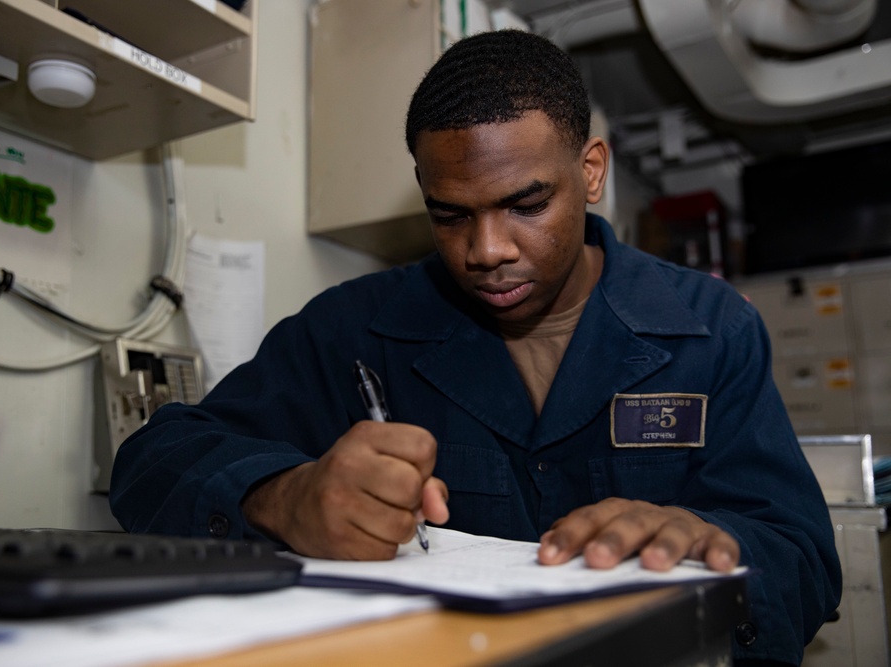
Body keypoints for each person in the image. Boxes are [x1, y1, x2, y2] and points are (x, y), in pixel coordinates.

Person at [110, 29, 840, 666]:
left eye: (525, 205)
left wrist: (713, 541)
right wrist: (280, 496)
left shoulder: (711, 328)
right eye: (450, 215)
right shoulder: (357, 329)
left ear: (590, 171)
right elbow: (151, 460)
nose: (486, 251)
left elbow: (806, 563)